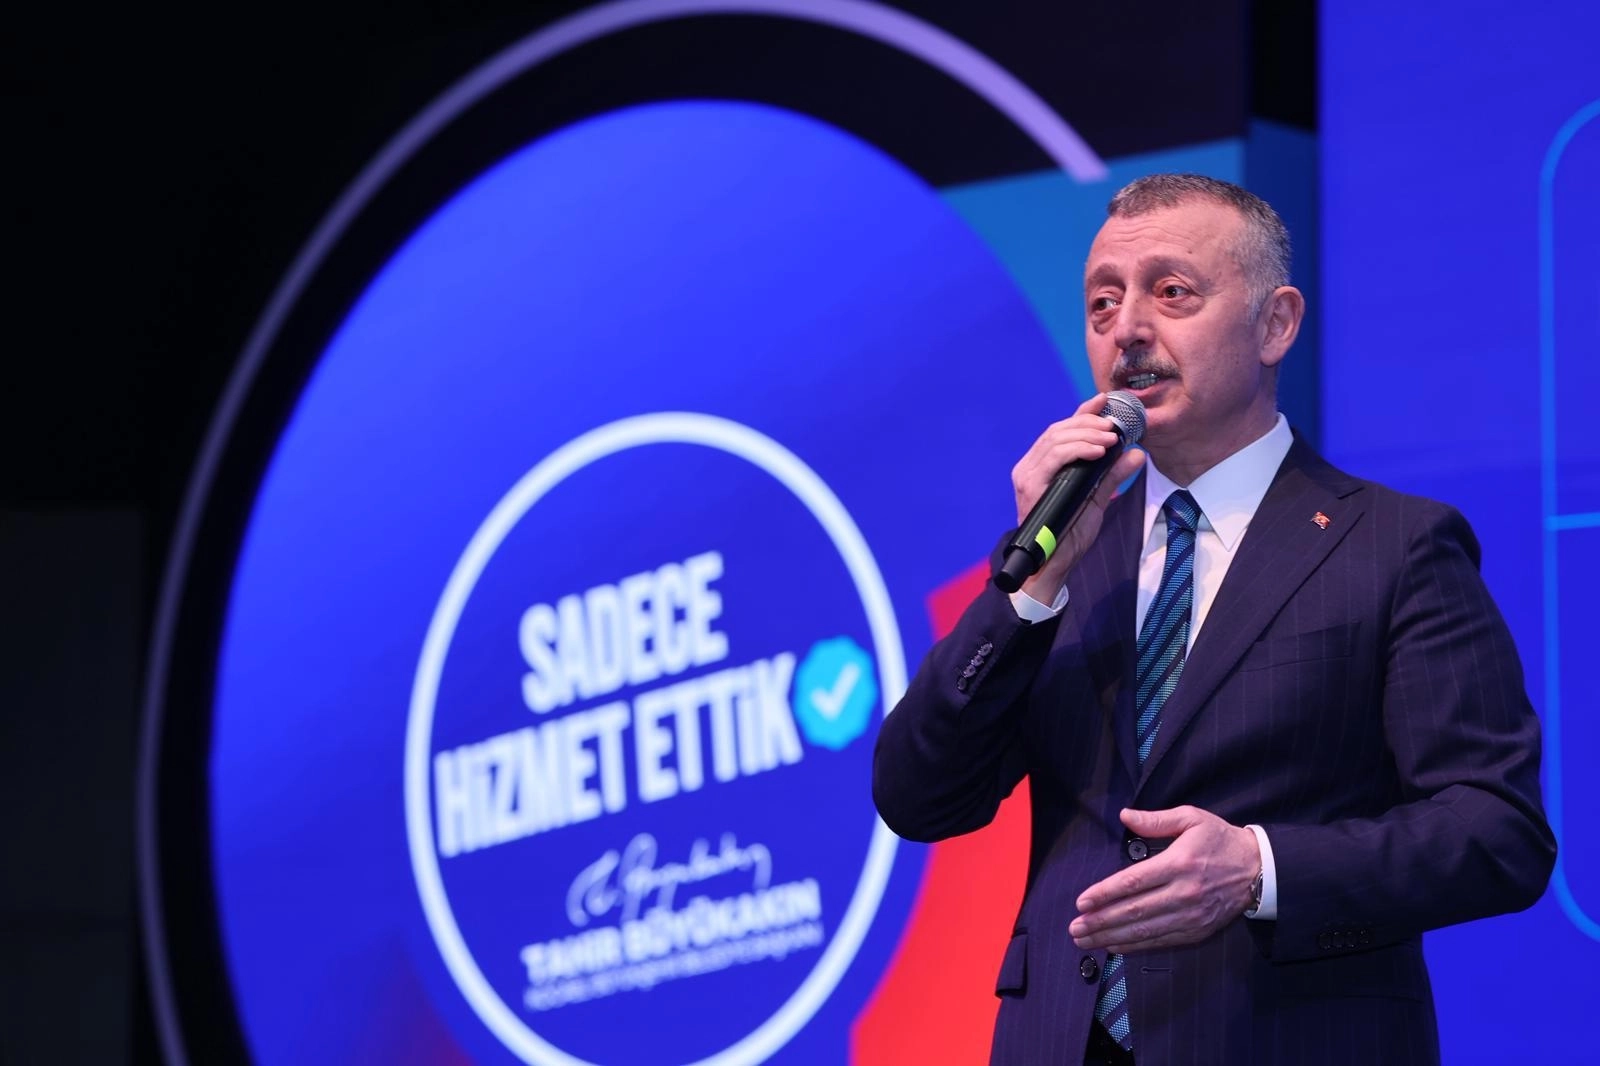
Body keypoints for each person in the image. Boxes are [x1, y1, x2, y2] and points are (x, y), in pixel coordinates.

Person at [871, 174, 1555, 1066]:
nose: (1127, 329)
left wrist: (1258, 870)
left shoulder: (1394, 545)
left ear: (1276, 325)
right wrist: (1031, 589)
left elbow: (1497, 832)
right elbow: (919, 797)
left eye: (1172, 292)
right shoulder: (1071, 555)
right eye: (1102, 303)